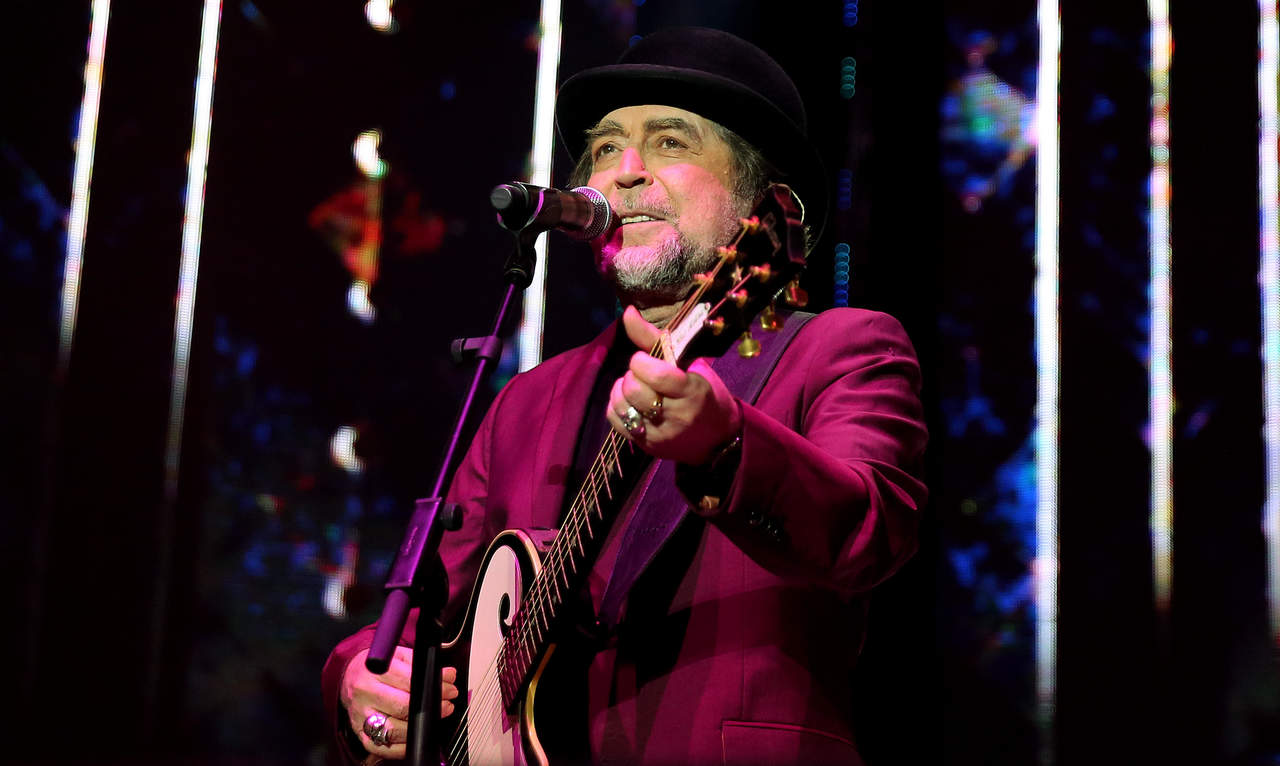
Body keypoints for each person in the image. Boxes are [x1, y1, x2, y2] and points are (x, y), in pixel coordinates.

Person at [321, 27, 927, 765]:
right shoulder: (526, 401)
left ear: (763, 204)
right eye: (606, 149)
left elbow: (872, 533)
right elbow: (424, 611)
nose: (625, 173)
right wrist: (361, 676)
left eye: (669, 142)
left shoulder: (842, 347)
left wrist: (726, 447)